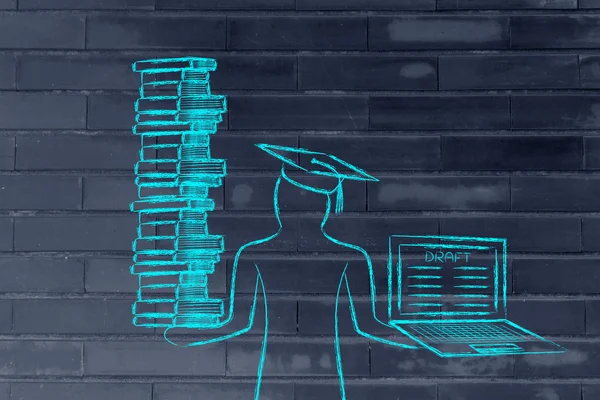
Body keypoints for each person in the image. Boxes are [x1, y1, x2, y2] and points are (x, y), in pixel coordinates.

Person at [163, 143, 419, 400]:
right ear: (324, 208)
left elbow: (238, 323)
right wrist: (419, 339)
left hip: (274, 382)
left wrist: (188, 335)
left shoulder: (252, 254)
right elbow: (368, 325)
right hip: (327, 378)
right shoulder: (351, 257)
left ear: (281, 202)